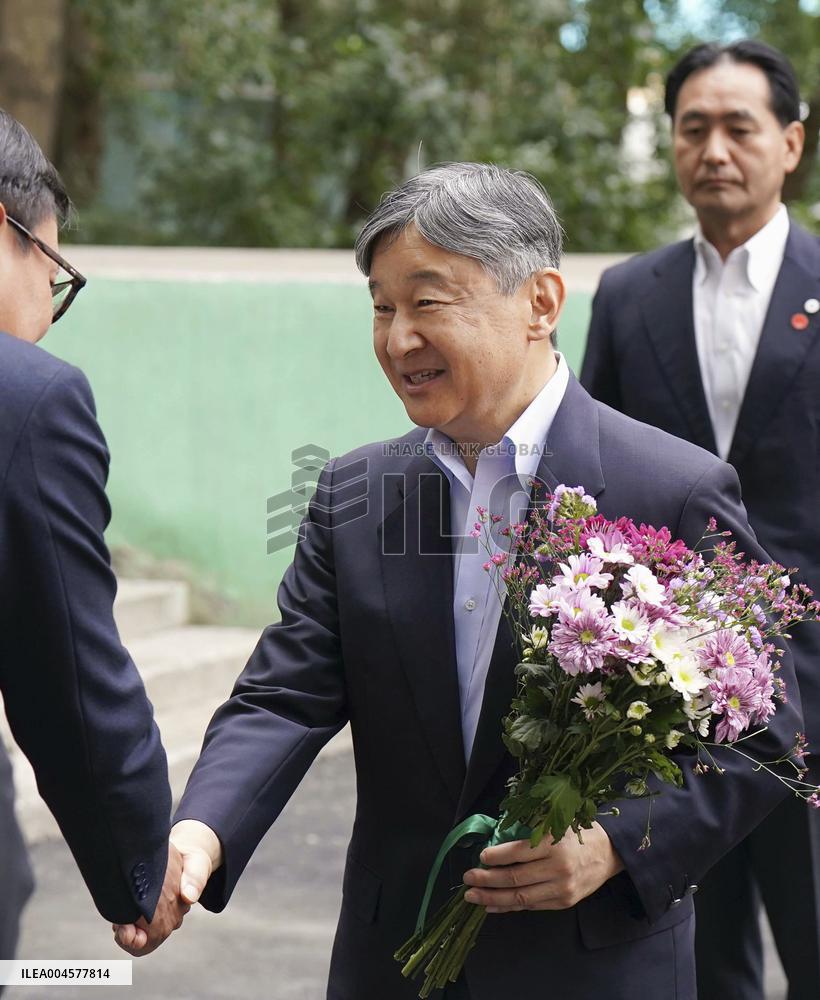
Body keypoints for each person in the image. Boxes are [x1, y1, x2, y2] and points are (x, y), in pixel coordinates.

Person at [117, 162, 803, 999]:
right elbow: (284, 695)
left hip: (594, 963)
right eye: (381, 306)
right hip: (394, 959)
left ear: (541, 303)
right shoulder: (355, 495)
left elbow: (766, 728)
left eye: (428, 302)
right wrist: (198, 837)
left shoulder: (672, 489)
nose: (398, 337)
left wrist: (616, 842)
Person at [580, 39, 820, 1000]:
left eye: (739, 127)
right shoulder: (629, 295)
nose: (715, 149)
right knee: (701, 954)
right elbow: (589, 484)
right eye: (693, 129)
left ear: (790, 143)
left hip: (812, 688)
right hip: (671, 697)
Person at [0, 108, 189, 972]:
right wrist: (137, 868)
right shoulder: (27, 396)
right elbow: (67, 668)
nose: (49, 303)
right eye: (53, 267)